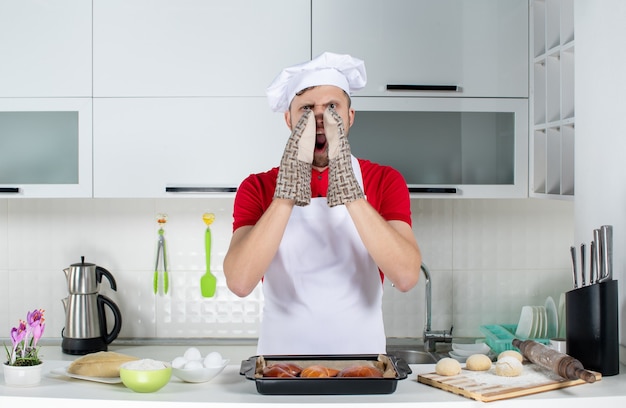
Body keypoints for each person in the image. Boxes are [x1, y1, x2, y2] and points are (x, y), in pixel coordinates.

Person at [223, 52, 422, 355]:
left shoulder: (384, 180)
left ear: (350, 117)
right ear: (288, 119)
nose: (320, 118)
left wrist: (350, 190)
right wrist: (287, 192)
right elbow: (240, 282)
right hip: (282, 369)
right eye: (306, 108)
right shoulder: (258, 187)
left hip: (363, 366)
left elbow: (407, 277)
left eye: (332, 107)